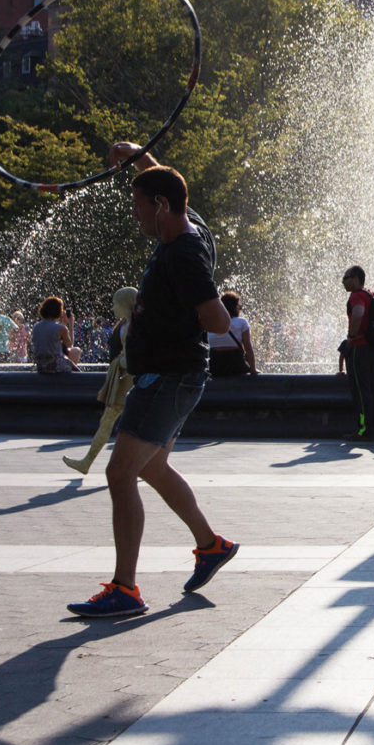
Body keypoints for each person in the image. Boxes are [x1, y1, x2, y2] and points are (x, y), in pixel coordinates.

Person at [67, 164, 237, 618]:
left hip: (167, 378)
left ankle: (125, 589)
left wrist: (197, 307)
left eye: (139, 204)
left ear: (160, 205)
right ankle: (210, 545)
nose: (134, 214)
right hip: (170, 376)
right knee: (154, 468)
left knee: (119, 474)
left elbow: (218, 322)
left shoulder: (183, 254)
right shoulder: (190, 232)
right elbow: (178, 193)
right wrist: (145, 160)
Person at [65, 286, 138, 474]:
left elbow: (132, 359)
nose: (113, 308)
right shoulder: (129, 324)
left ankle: (88, 462)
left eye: (116, 304)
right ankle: (88, 462)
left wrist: (119, 362)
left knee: (113, 422)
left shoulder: (131, 327)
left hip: (129, 382)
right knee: (126, 424)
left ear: (126, 305)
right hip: (129, 380)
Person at [339, 266, 374, 441]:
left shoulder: (356, 295)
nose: (343, 281)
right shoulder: (369, 294)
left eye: (346, 277)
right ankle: (372, 428)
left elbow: (358, 313)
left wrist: (351, 337)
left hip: (359, 347)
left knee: (360, 389)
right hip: (372, 347)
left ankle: (363, 430)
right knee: (370, 387)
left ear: (355, 278)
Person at [207, 290, 255, 377]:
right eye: (239, 306)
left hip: (215, 366)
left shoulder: (211, 322)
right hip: (236, 365)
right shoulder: (241, 322)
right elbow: (248, 347)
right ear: (235, 307)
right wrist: (253, 369)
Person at [31, 296, 82, 373]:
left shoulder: (36, 326)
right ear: (59, 311)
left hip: (40, 366)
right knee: (78, 371)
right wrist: (70, 326)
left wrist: (63, 325)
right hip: (55, 365)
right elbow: (69, 345)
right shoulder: (60, 328)